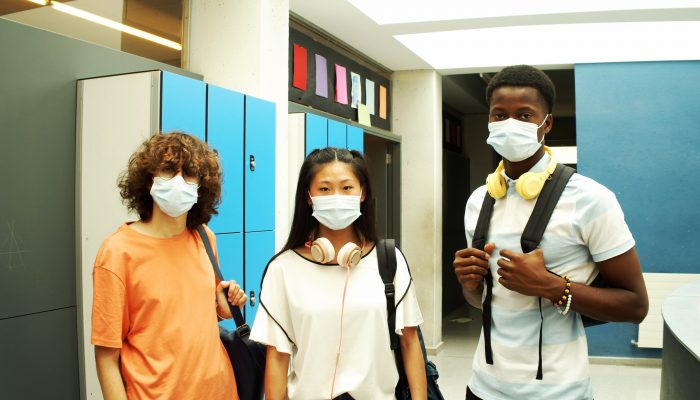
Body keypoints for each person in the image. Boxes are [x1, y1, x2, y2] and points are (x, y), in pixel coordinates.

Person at [453, 65, 649, 400]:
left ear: (547, 123)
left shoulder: (590, 199)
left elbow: (635, 305)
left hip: (559, 391)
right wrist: (470, 285)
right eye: (499, 115)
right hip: (482, 386)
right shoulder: (479, 201)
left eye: (524, 115)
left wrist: (551, 286)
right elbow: (481, 301)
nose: (509, 124)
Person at [250, 147, 427, 400]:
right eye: (324, 189)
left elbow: (410, 343)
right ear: (308, 196)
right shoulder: (283, 269)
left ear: (362, 193)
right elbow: (277, 357)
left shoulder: (389, 260)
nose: (336, 196)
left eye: (346, 188)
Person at [91, 132, 247, 400]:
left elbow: (181, 318)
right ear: (148, 179)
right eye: (167, 170)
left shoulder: (204, 238)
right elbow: (106, 355)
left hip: (219, 391)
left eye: (189, 174)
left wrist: (221, 309)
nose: (178, 181)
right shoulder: (117, 252)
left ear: (201, 185)